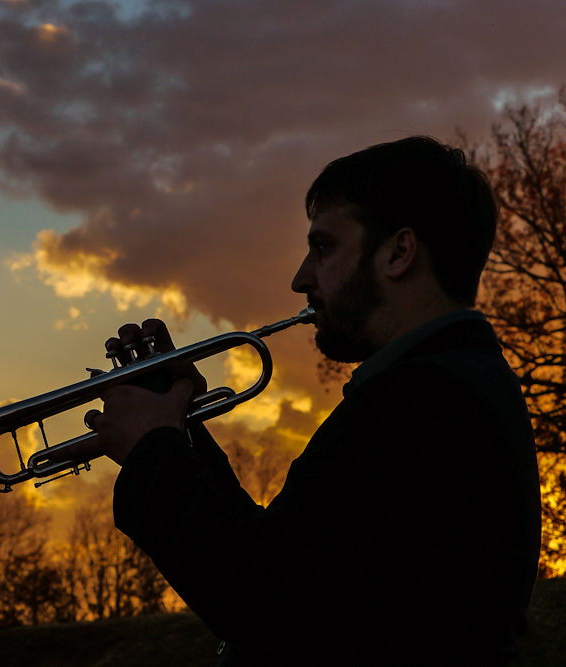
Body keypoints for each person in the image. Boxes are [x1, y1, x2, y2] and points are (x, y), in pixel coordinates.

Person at [84, 136, 541, 665]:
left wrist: (153, 450)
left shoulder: (421, 401)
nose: (301, 277)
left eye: (323, 247)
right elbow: (288, 562)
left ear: (398, 252)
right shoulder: (452, 382)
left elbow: (260, 601)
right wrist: (177, 427)